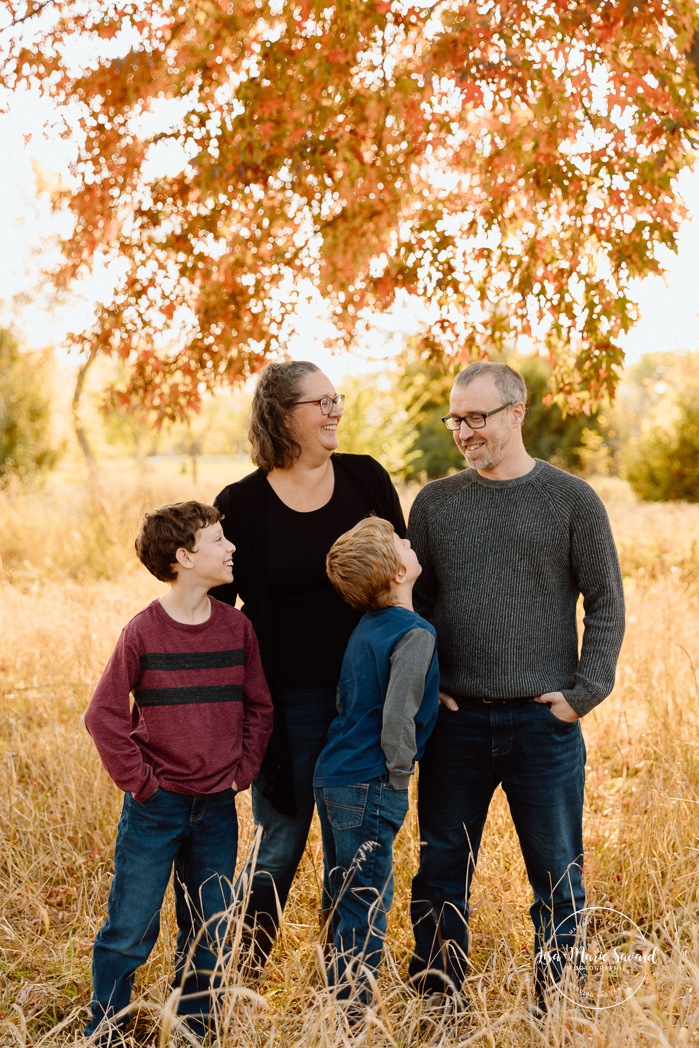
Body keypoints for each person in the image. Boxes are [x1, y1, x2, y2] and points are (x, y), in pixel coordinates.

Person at [406, 361, 625, 1013]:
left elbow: (605, 603)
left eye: (476, 417)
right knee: (441, 871)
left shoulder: (570, 500)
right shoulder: (435, 505)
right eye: (456, 419)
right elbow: (410, 608)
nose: (464, 431)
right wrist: (430, 686)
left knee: (559, 878)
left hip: (544, 724)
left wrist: (582, 693)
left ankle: (557, 1007)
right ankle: (437, 1005)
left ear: (514, 413)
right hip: (454, 724)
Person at [212, 360, 406, 970]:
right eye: (320, 403)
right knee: (278, 846)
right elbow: (219, 610)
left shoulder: (365, 479)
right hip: (287, 701)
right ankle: (231, 985)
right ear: (281, 415)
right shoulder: (240, 504)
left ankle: (346, 995)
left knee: (354, 849)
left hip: (367, 700)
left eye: (336, 399)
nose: (335, 411)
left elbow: (404, 574)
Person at [83, 502, 273, 1043]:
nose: (230, 547)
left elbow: (259, 707)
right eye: (217, 540)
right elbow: (103, 715)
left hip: (215, 807)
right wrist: (142, 782)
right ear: (185, 557)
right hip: (155, 808)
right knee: (131, 926)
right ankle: (108, 1031)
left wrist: (242, 770)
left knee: (209, 927)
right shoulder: (144, 632)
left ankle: (193, 1029)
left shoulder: (237, 629)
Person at [314, 517, 440, 1014]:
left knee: (343, 893)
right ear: (395, 573)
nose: (409, 542)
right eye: (399, 544)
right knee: (366, 904)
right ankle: (352, 1016)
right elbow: (396, 715)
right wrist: (401, 775)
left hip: (335, 776)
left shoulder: (368, 628)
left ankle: (334, 1003)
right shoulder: (415, 632)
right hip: (370, 781)